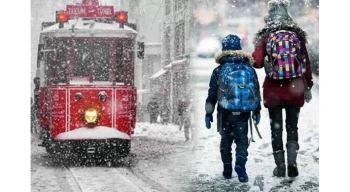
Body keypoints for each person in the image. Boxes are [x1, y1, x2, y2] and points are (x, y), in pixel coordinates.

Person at [252, 0, 313, 178]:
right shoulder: (297, 35)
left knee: (276, 129)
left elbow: (255, 61)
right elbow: (306, 64)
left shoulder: (266, 36)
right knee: (292, 127)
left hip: (273, 91)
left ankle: (280, 167)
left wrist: (263, 59)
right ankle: (292, 163)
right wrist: (308, 85)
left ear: (269, 16)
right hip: (295, 89)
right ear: (288, 14)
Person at [205, 34, 261, 182]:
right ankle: (240, 164)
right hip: (243, 112)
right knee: (242, 140)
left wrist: (208, 113)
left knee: (226, 141)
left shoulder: (219, 70)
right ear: (239, 48)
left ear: (223, 49)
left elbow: (212, 94)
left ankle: (227, 169)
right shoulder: (248, 67)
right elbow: (255, 90)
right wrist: (257, 110)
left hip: (225, 112)